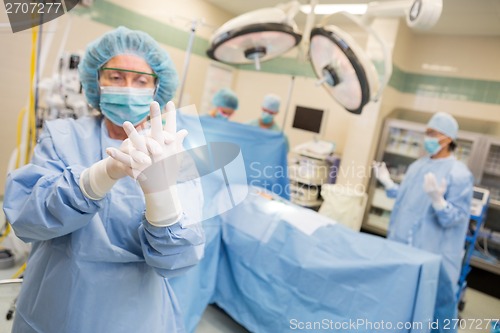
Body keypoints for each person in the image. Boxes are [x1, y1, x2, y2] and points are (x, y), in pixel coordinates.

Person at [2, 26, 205, 333]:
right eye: (116, 77)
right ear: (96, 82)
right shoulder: (62, 136)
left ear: (156, 89)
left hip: (134, 315)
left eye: (140, 81)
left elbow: (181, 260)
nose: (127, 87)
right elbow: (27, 220)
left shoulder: (175, 152)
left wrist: (161, 195)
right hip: (54, 307)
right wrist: (98, 177)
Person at [373, 112, 473, 321]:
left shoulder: (459, 173)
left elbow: (456, 218)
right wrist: (389, 183)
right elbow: (406, 200)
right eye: (426, 132)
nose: (427, 138)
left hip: (432, 255)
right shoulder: (418, 166)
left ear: (447, 139)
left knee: (426, 313)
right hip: (402, 247)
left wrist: (439, 201)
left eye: (432, 133)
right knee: (398, 306)